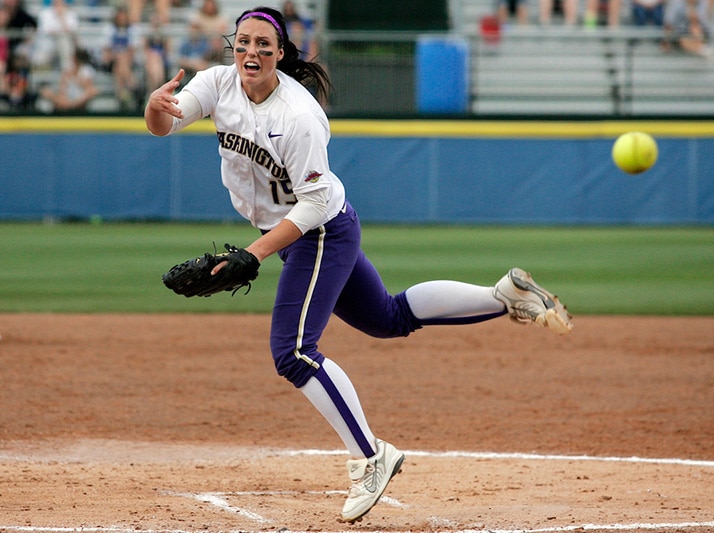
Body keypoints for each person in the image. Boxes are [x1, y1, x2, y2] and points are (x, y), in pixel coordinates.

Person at [144, 6, 573, 523]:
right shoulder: (218, 83)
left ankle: (370, 455)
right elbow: (163, 127)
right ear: (231, 45)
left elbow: (314, 205)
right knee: (386, 318)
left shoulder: (298, 116)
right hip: (293, 234)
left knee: (294, 352)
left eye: (264, 44)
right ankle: (503, 295)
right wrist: (155, 106)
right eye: (243, 41)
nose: (251, 51)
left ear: (281, 54)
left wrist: (253, 254)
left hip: (319, 230)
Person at [101, 6, 141, 109]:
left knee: (119, 68)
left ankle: (121, 95)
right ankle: (134, 86)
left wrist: (122, 57)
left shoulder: (132, 30)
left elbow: (132, 51)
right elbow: (106, 52)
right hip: (112, 61)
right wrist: (117, 56)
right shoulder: (109, 30)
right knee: (120, 60)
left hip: (126, 63)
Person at [37, 46, 97, 112]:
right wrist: (63, 95)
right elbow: (62, 86)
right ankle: (66, 106)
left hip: (79, 99)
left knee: (92, 91)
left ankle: (70, 106)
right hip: (66, 98)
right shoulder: (68, 69)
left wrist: (76, 78)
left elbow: (88, 87)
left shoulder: (87, 70)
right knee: (46, 92)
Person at [30, 0, 79, 71]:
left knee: (63, 40)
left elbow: (72, 30)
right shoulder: (45, 13)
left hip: (64, 45)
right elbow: (47, 30)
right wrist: (61, 30)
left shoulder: (70, 13)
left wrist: (62, 18)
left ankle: (67, 71)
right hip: (46, 45)